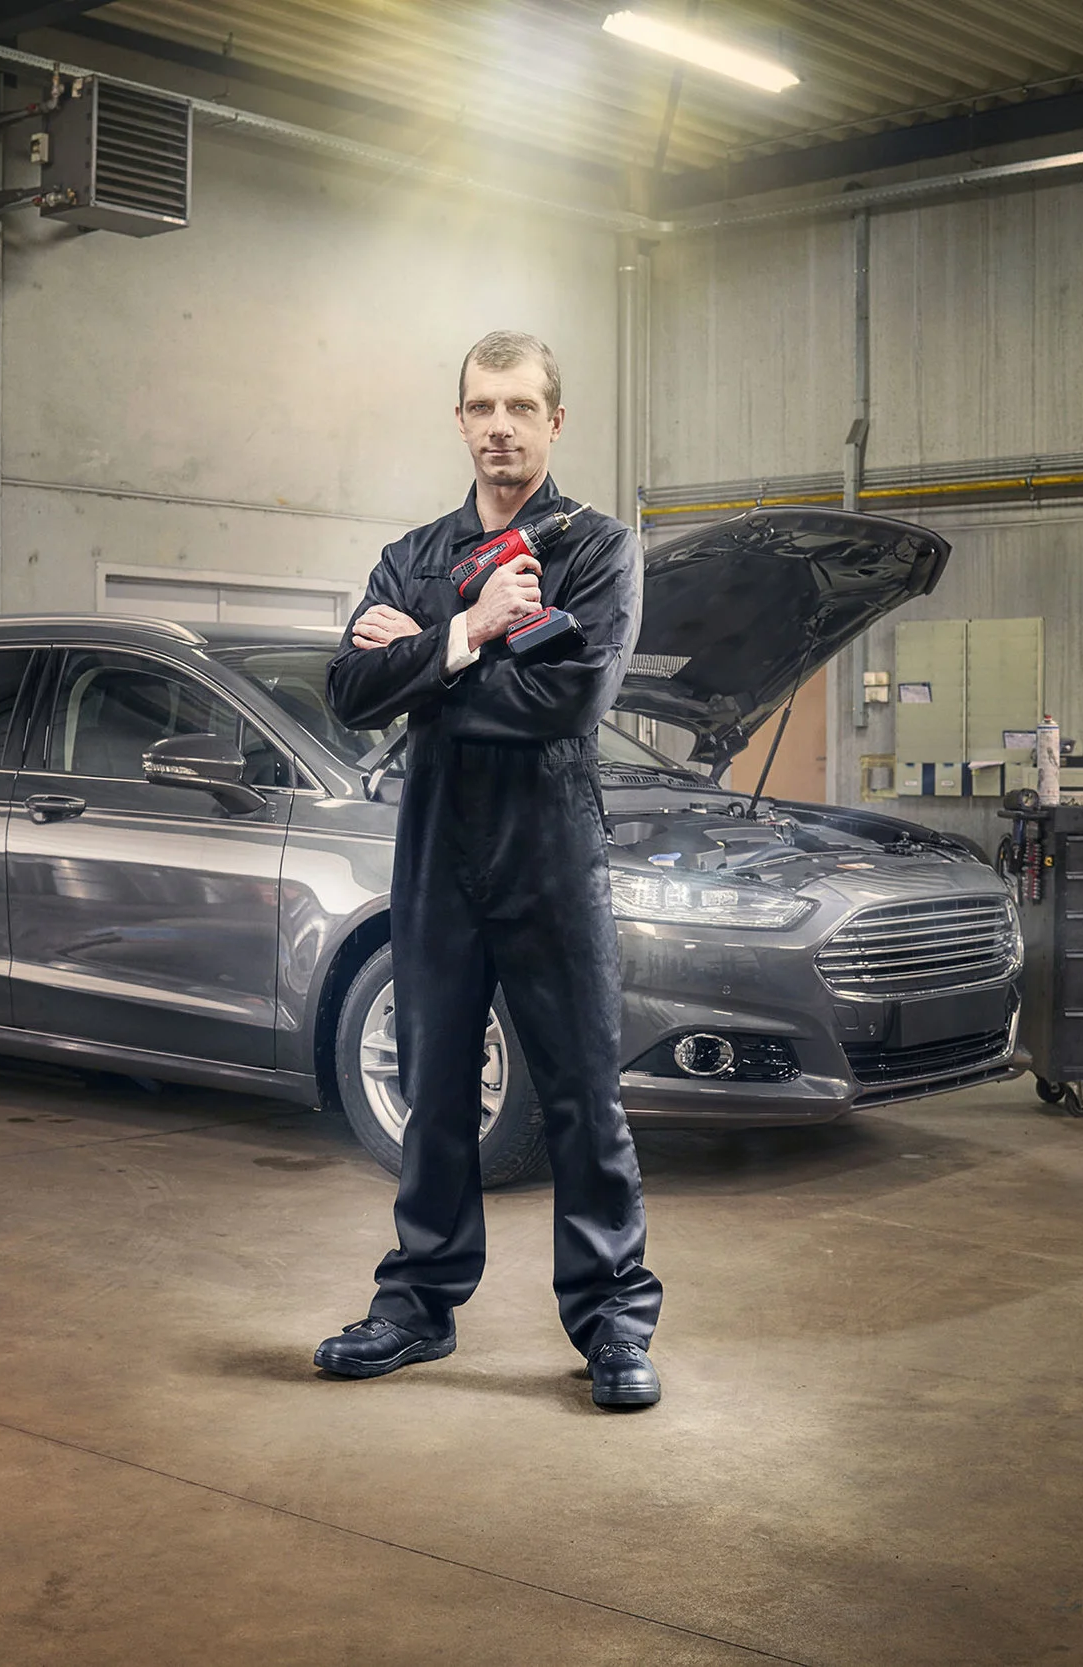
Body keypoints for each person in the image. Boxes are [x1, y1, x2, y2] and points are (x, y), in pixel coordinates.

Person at [317, 330, 663, 1410]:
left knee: (579, 1094)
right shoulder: (412, 558)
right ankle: (418, 1303)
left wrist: (417, 661)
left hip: (548, 847)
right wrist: (466, 629)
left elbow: (567, 700)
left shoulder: (597, 550)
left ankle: (612, 1321)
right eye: (481, 406)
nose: (499, 425)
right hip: (433, 850)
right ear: (459, 420)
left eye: (521, 406)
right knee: (431, 1088)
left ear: (555, 422)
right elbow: (343, 691)